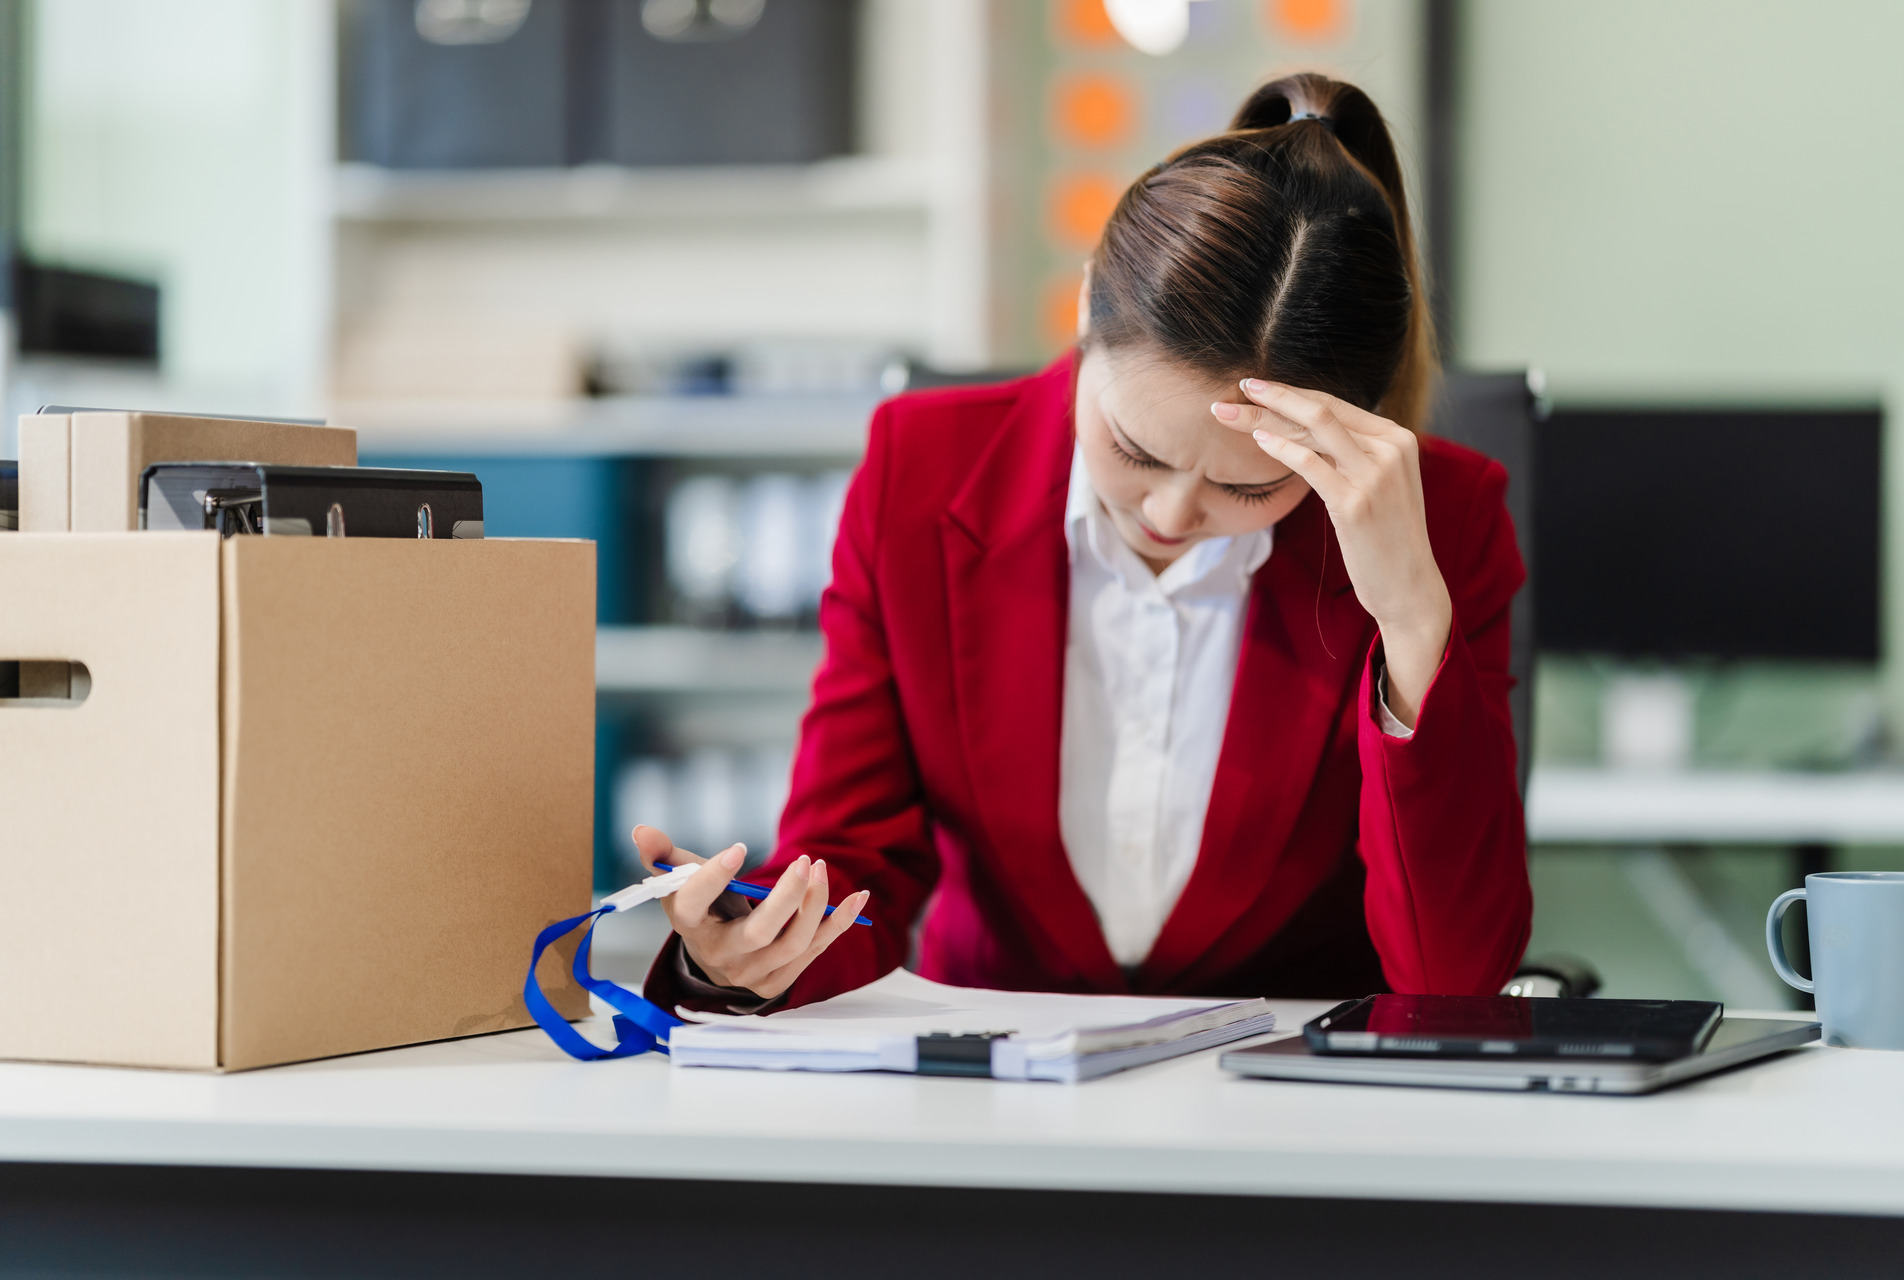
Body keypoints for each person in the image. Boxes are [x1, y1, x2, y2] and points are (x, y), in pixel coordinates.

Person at [634, 72, 1531, 1013]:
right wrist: (750, 948)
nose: (1175, 515)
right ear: (1083, 315)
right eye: (1135, 449)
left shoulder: (1443, 521)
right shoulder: (920, 469)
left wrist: (1410, 619)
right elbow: (857, 864)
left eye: (1250, 485)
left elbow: (1453, 980)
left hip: (1286, 1105)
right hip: (997, 1086)